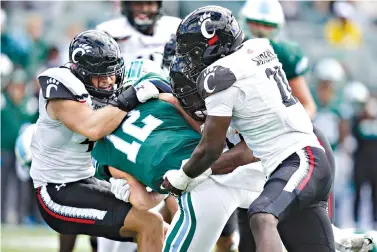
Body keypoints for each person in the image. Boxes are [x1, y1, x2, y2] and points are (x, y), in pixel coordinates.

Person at [162, 6, 334, 252]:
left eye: (194, 52)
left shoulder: (217, 77)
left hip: (300, 159)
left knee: (261, 216)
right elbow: (244, 148)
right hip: (296, 160)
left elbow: (209, 149)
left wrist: (183, 177)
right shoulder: (258, 47)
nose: (192, 61)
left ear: (213, 46)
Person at [30, 29, 164, 252]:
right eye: (101, 76)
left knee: (164, 233)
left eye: (112, 74)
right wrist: (132, 96)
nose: (109, 82)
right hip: (55, 191)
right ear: (81, 73)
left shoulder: (109, 87)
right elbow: (92, 128)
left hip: (87, 179)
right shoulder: (62, 86)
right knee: (151, 224)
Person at [96, 1, 181, 66]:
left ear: (158, 5)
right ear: (127, 5)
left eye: (149, 3)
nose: (144, 9)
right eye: (137, 3)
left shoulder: (174, 27)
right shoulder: (109, 31)